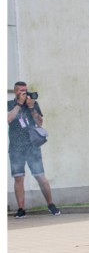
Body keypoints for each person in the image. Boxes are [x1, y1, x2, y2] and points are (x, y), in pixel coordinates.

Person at [8, 81, 56, 217]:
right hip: (16, 148)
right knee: (19, 178)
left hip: (32, 147)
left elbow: (40, 122)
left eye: (25, 90)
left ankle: (51, 204)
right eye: (21, 90)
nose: (24, 92)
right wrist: (18, 104)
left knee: (40, 176)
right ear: (15, 92)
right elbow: (8, 118)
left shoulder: (33, 104)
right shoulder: (9, 104)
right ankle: (21, 209)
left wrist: (31, 107)